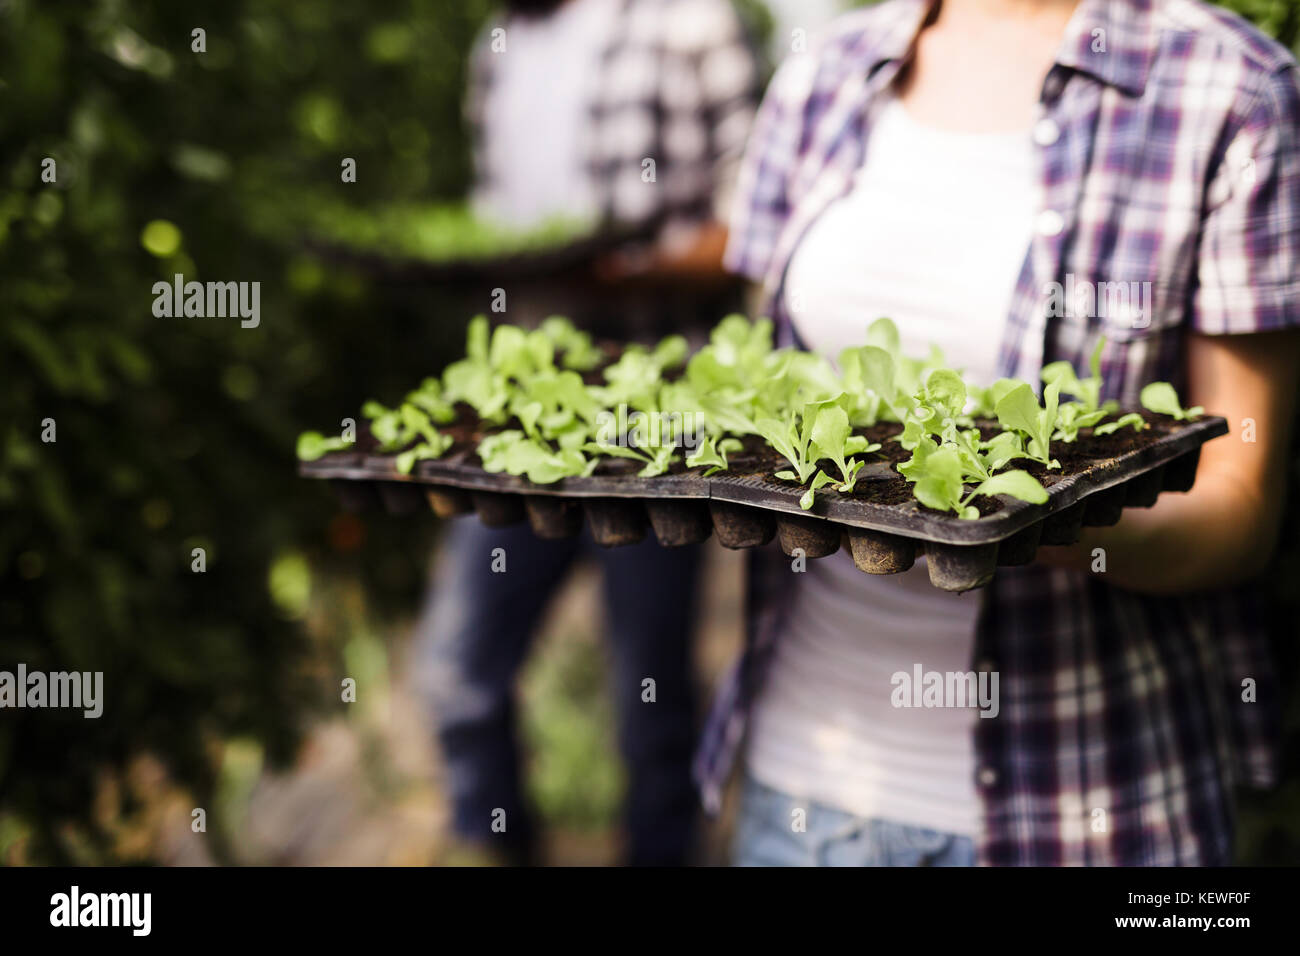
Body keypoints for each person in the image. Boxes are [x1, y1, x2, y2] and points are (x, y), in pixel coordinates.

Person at [701, 0, 1300, 866]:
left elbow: (1240, 506)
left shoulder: (1233, 88)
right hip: (807, 786)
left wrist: (1034, 525)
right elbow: (756, 380)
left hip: (1090, 805)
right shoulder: (825, 71)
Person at [415, 0, 760, 865]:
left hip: (652, 418)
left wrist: (618, 270)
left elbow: (752, 226)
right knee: (456, 676)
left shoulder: (689, 23)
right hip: (521, 409)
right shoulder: (498, 43)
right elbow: (493, 220)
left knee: (650, 708)